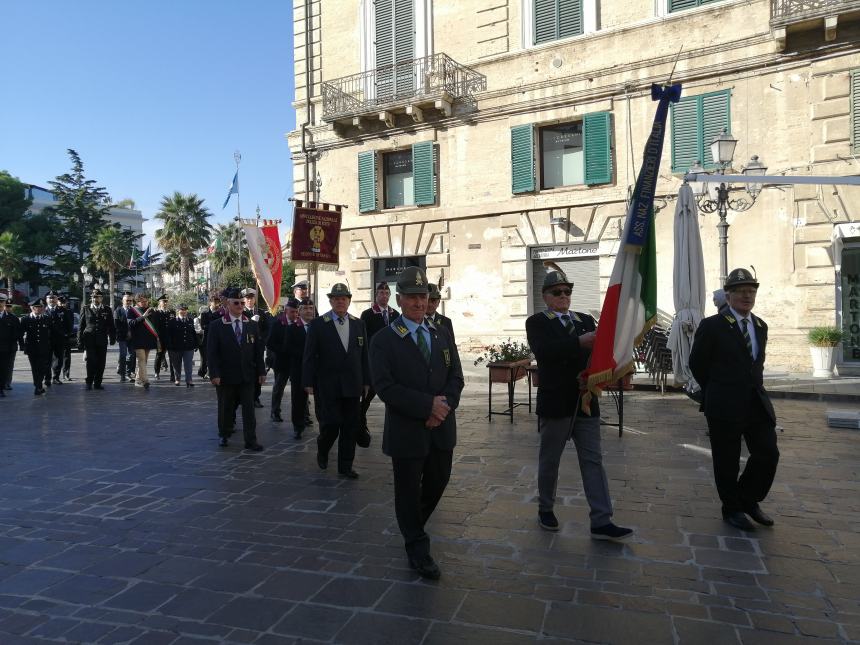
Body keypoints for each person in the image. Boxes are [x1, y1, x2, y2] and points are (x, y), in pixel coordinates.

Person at [369, 266, 464, 580]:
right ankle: (417, 546)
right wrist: (428, 406)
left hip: (442, 428)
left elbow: (456, 377)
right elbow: (385, 386)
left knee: (439, 481)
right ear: (399, 299)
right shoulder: (384, 340)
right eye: (411, 297)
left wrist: (443, 408)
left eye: (423, 296)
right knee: (408, 491)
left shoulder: (441, 332)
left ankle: (411, 527)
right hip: (407, 432)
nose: (419, 302)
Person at [525, 269, 633, 542]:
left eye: (567, 291)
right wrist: (577, 342)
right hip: (556, 401)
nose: (563, 296)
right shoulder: (537, 321)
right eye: (557, 292)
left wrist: (597, 373)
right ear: (545, 296)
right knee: (550, 460)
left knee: (593, 461)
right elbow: (545, 352)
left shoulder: (585, 320)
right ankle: (545, 508)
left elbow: (599, 353)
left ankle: (601, 519)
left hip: (586, 400)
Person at [689, 268, 779, 532]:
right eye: (740, 291)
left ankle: (748, 498)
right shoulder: (712, 325)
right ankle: (731, 508)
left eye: (751, 291)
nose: (747, 296)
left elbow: (756, 365)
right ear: (728, 296)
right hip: (724, 403)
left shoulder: (760, 326)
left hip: (755, 403)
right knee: (726, 460)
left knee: (767, 453)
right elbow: (697, 364)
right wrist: (716, 389)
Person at [302, 283, 370, 479]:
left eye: (344, 298)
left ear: (349, 301)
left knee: (350, 425)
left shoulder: (359, 324)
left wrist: (366, 380)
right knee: (331, 423)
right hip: (328, 383)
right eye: (336, 298)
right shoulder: (318, 324)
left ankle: (346, 465)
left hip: (353, 384)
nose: (340, 301)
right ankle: (323, 448)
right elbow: (309, 355)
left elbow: (364, 355)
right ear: (330, 301)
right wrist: (308, 381)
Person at [207, 287, 266, 451]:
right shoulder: (217, 325)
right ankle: (224, 434)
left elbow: (257, 351)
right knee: (225, 407)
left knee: (249, 410)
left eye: (241, 302)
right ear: (228, 304)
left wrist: (261, 371)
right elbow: (212, 353)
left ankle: (251, 440)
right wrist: (214, 374)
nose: (240, 305)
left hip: (247, 375)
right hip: (225, 376)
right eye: (236, 303)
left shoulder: (252, 325)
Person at [359, 282, 399, 433]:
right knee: (368, 395)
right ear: (376, 296)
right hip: (373, 361)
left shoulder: (395, 314)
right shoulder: (368, 314)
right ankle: (360, 421)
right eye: (381, 293)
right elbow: (363, 337)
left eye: (386, 293)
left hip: (391, 362)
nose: (384, 296)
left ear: (389, 295)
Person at [267, 297, 300, 423]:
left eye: (296, 312)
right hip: (282, 361)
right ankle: (275, 411)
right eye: (292, 312)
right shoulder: (278, 323)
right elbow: (270, 343)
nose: (295, 314)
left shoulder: (299, 324)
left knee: (299, 389)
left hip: (296, 361)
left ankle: (304, 414)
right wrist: (282, 350)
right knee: (279, 388)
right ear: (286, 311)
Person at [287, 298, 316, 439]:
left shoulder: (319, 326)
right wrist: (306, 354)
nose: (309, 311)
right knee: (298, 400)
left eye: (311, 308)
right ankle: (298, 426)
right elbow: (287, 348)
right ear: (299, 311)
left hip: (317, 370)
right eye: (305, 308)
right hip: (299, 370)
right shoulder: (293, 328)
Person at [77, 289, 117, 390]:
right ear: (91, 298)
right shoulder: (86, 309)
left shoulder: (107, 309)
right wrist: (79, 341)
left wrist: (113, 338)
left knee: (101, 362)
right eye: (94, 297)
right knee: (91, 361)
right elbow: (81, 326)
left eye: (98, 297)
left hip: (102, 339)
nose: (96, 299)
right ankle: (89, 381)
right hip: (89, 339)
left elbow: (111, 325)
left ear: (101, 298)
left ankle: (98, 382)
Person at [243, 287, 272, 408]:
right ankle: (245, 397)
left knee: (258, 372)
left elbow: (267, 329)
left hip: (258, 347)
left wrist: (262, 340)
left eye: (252, 298)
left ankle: (256, 397)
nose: (250, 300)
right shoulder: (242, 313)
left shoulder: (260, 312)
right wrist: (250, 321)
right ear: (244, 299)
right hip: (245, 348)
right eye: (247, 298)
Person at [20, 298, 53, 396]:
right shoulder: (26, 319)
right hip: (32, 349)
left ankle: (38, 385)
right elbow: (20, 334)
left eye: (40, 307)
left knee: (42, 368)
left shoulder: (46, 318)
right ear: (32, 308)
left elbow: (51, 333)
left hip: (44, 348)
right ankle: (38, 386)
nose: (39, 309)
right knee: (35, 368)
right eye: (36, 307)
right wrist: (22, 346)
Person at [127, 293, 159, 389]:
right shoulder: (132, 310)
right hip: (137, 339)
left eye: (146, 301)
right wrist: (143, 316)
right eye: (143, 302)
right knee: (141, 359)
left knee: (144, 361)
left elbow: (154, 324)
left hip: (148, 339)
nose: (145, 303)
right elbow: (131, 323)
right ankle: (145, 380)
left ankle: (138, 380)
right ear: (137, 302)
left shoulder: (150, 310)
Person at [167, 303, 198, 387]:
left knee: (188, 364)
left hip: (189, 346)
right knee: (177, 364)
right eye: (181, 310)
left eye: (185, 310)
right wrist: (169, 346)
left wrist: (196, 344)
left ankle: (189, 380)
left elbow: (193, 333)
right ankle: (177, 379)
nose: (183, 311)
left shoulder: (190, 320)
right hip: (176, 347)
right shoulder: (172, 321)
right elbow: (169, 335)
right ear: (178, 311)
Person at [44, 290, 70, 385]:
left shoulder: (63, 311)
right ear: (46, 300)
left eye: (54, 298)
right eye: (50, 298)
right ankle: (47, 378)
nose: (52, 300)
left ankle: (56, 377)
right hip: (46, 339)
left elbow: (68, 324)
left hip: (59, 339)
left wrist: (66, 334)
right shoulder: (43, 310)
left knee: (59, 359)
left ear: (57, 299)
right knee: (46, 359)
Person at [0, 292, 22, 396]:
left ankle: (2, 387)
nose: (0, 304)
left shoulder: (13, 318)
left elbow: (17, 334)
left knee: (5, 369)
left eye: (2, 302)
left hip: (6, 349)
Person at [197, 294, 222, 378]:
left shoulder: (220, 313)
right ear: (210, 302)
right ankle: (202, 371)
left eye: (218, 302)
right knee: (204, 359)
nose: (217, 304)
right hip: (206, 338)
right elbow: (203, 325)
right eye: (215, 302)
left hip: (217, 339)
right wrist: (214, 326)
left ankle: (210, 372)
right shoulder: (205, 313)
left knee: (214, 357)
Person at [152, 294, 176, 382]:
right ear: (160, 302)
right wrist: (157, 338)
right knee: (159, 355)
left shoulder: (171, 312)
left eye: (166, 301)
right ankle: (156, 372)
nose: (165, 303)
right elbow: (155, 326)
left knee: (172, 356)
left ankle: (173, 375)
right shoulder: (156, 313)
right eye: (164, 301)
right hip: (160, 338)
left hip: (170, 337)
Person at [114, 292, 136, 382]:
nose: (129, 302)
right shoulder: (118, 311)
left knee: (131, 355)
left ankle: (128, 373)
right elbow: (116, 325)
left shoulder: (134, 311)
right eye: (127, 300)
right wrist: (126, 332)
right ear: (123, 301)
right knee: (123, 355)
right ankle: (122, 375)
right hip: (122, 337)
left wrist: (131, 332)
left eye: (130, 300)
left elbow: (136, 323)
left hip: (132, 337)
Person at [57, 295, 75, 380]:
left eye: (64, 302)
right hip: (57, 337)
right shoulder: (55, 311)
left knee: (67, 357)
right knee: (57, 357)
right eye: (61, 302)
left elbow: (71, 323)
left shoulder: (69, 311)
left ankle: (66, 374)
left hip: (66, 337)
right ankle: (56, 374)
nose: (63, 304)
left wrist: (69, 333)